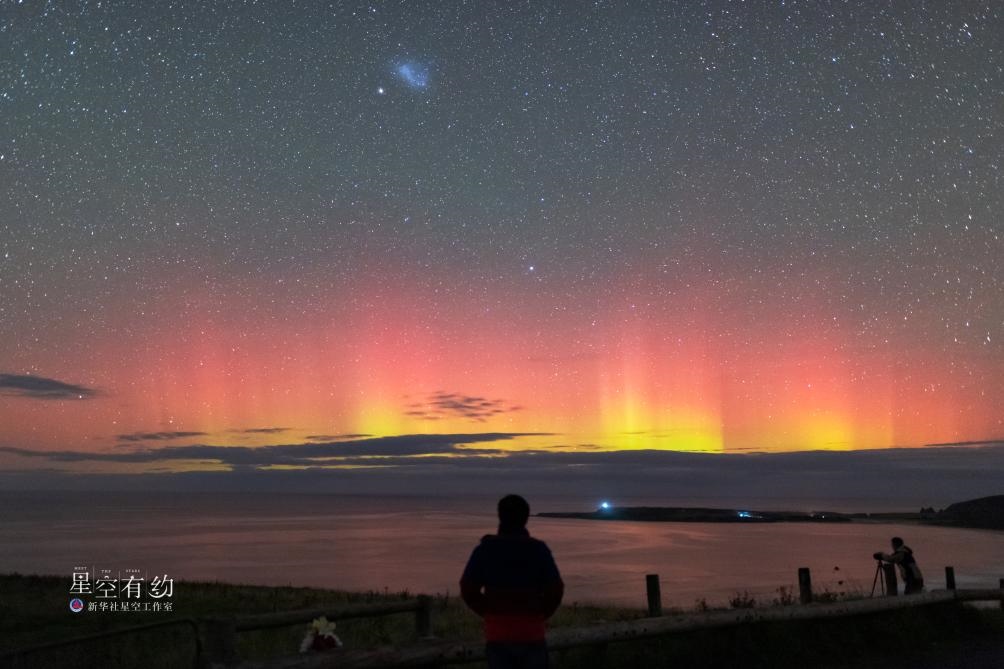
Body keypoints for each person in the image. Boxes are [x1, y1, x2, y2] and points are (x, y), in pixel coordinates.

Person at [460, 494, 564, 669]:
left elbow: (468, 588)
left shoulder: (485, 550)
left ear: (500, 516)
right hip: (532, 633)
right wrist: (540, 614)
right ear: (526, 518)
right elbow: (555, 590)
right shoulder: (538, 550)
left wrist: (489, 612)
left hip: (498, 634)